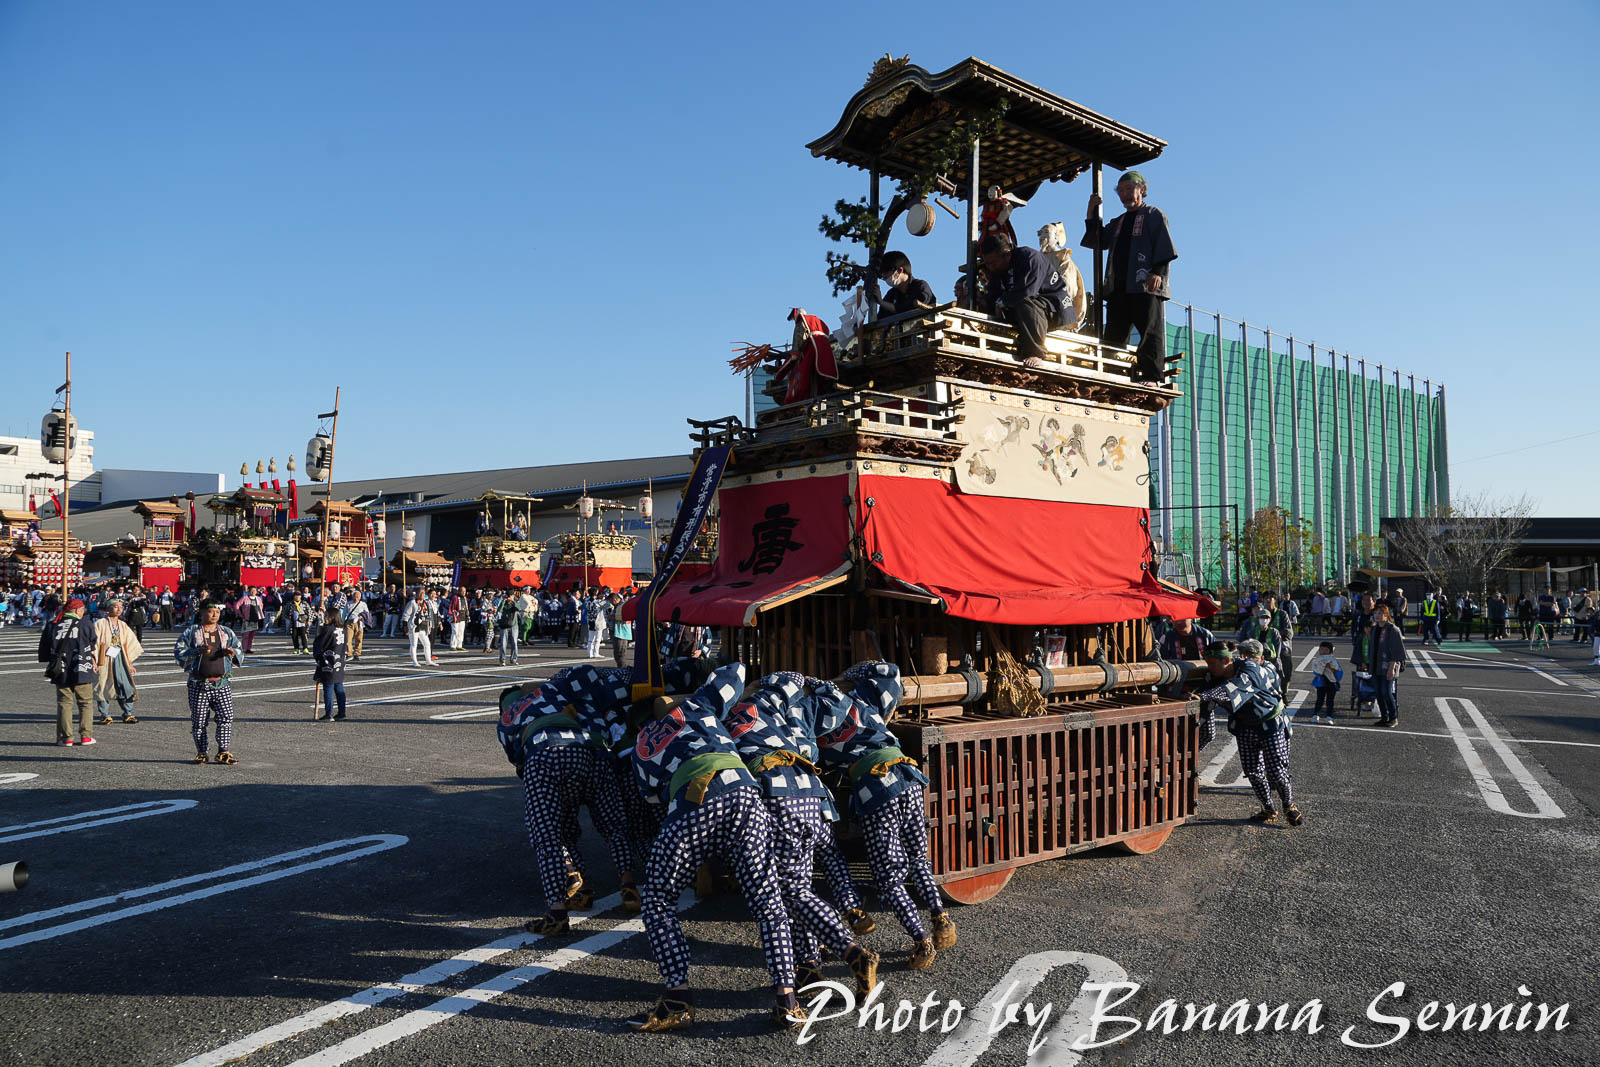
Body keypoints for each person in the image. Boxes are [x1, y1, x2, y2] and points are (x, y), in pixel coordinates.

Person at [628, 663, 804, 1032]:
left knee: (658, 897)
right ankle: (788, 1000)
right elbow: (734, 671)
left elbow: (653, 798)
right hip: (746, 793)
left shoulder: (641, 746)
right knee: (767, 899)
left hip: (695, 799)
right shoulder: (697, 706)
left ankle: (678, 998)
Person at [725, 671, 881, 998]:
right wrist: (804, 680)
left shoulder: (718, 718)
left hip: (776, 792)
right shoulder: (768, 701)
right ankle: (809, 964)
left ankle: (853, 953)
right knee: (800, 888)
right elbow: (796, 684)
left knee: (790, 892)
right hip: (810, 791)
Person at [803, 662, 956, 971]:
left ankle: (922, 940)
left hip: (875, 790)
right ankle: (941, 919)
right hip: (908, 777)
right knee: (917, 858)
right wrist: (848, 676)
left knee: (889, 877)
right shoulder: (858, 700)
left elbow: (813, 761)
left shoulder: (812, 720)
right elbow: (888, 671)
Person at [1081, 170, 1178, 382]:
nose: (1125, 194)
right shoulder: (1119, 221)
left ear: (1142, 190)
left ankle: (1152, 377)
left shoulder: (1153, 214)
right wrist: (1091, 210)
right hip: (1118, 287)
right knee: (1113, 335)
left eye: (1129, 189)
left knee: (1150, 332)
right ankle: (1111, 374)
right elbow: (1097, 240)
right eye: (1121, 191)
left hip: (1145, 284)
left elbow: (1163, 245)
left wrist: (1157, 272)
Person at [1199, 638, 1302, 826]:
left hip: (1271, 723)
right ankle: (1268, 809)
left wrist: (1203, 696)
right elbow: (1203, 691)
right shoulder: (1214, 675)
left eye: (1212, 663)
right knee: (1253, 771)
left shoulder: (1250, 668)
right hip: (1245, 726)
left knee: (1276, 771)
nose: (1209, 667)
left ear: (1227, 660)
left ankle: (1289, 805)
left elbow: (1233, 688)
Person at [964, 232, 1072, 369]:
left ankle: (1035, 353)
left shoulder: (1029, 257)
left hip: (1054, 309)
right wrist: (981, 299)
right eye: (988, 264)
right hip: (1027, 312)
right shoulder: (998, 270)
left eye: (993, 263)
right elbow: (993, 297)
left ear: (1006, 253)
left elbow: (1027, 292)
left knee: (1025, 301)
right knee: (1002, 303)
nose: (990, 267)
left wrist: (1001, 302)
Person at [173, 601, 244, 764]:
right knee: (199, 720)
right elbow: (178, 652)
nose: (214, 615)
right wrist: (197, 651)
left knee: (226, 718)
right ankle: (202, 752)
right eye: (211, 611)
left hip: (222, 683)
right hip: (198, 683)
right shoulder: (191, 632)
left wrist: (232, 652)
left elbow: (239, 649)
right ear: (202, 612)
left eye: (217, 612)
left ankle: (223, 751)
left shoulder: (226, 632)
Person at [39, 596, 98, 746]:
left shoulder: (53, 624)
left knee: (64, 703)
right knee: (85, 702)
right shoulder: (85, 624)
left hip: (60, 669)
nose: (83, 612)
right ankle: (86, 736)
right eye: (83, 610)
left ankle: (66, 738)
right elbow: (92, 642)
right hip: (82, 667)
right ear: (77, 610)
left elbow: (44, 647)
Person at [92, 599, 143, 726]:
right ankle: (105, 715)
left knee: (125, 685)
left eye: (121, 607)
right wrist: (93, 661)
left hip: (120, 657)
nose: (119, 609)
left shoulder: (123, 625)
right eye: (115, 606)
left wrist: (129, 663)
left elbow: (129, 643)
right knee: (102, 685)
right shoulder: (100, 623)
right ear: (108, 608)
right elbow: (93, 643)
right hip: (104, 658)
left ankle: (128, 713)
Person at [1368, 604, 1406, 728]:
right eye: (1375, 613)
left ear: (1386, 614)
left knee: (1386, 692)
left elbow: (1397, 651)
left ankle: (1393, 717)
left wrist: (1391, 668)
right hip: (1376, 665)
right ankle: (1384, 717)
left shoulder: (1393, 629)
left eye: (1380, 613)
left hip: (1388, 665)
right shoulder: (1374, 629)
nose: (1377, 615)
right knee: (1378, 693)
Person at [874, 250, 935, 317]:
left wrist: (882, 302)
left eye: (886, 276)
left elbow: (910, 310)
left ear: (900, 270)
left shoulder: (921, 287)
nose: (885, 279)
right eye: (883, 278)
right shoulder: (891, 295)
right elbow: (880, 318)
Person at [313, 605, 348, 721]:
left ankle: (329, 714)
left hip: (328, 661)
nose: (326, 618)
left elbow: (320, 643)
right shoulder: (343, 629)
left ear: (333, 617)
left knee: (328, 686)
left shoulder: (328, 630)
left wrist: (317, 656)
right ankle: (342, 713)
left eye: (327, 616)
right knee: (339, 686)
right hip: (339, 661)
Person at [1306, 640, 1342, 724]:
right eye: (1322, 649)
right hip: (1321, 682)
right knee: (1320, 699)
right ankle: (1315, 714)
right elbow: (1316, 670)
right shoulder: (1317, 659)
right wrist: (1321, 668)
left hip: (1332, 682)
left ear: (1330, 651)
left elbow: (1337, 671)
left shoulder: (1333, 659)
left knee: (1330, 700)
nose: (1323, 651)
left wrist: (1329, 667)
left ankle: (1329, 716)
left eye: (1326, 650)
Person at [403, 589, 439, 667]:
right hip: (414, 626)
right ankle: (415, 661)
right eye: (420, 593)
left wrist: (429, 625)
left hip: (423, 626)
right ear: (416, 594)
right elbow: (406, 615)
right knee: (414, 644)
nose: (422, 594)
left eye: (423, 593)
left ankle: (428, 660)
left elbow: (428, 615)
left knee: (427, 644)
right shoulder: (412, 603)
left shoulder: (426, 603)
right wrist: (405, 625)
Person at [345, 588, 370, 662]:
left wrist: (361, 617)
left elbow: (366, 613)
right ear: (352, 596)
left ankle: (357, 654)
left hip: (359, 622)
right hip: (349, 622)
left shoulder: (363, 604)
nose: (356, 598)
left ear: (360, 597)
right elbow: (344, 614)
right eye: (355, 596)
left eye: (358, 597)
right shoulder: (348, 604)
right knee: (348, 639)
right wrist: (342, 622)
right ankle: (349, 654)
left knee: (358, 639)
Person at [609, 593, 633, 668]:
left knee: (620, 653)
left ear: (615, 599)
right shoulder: (618, 606)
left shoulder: (622, 606)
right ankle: (621, 668)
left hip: (621, 633)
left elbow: (623, 618)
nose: (611, 603)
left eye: (611, 601)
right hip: (617, 632)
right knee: (617, 653)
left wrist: (611, 617)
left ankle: (622, 669)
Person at [496, 592, 520, 666]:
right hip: (504, 625)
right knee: (503, 643)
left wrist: (513, 601)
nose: (510, 597)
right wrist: (503, 600)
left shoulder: (515, 602)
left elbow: (519, 608)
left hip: (514, 625)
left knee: (514, 643)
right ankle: (502, 660)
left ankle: (514, 660)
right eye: (508, 595)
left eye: (511, 595)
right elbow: (499, 610)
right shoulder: (503, 602)